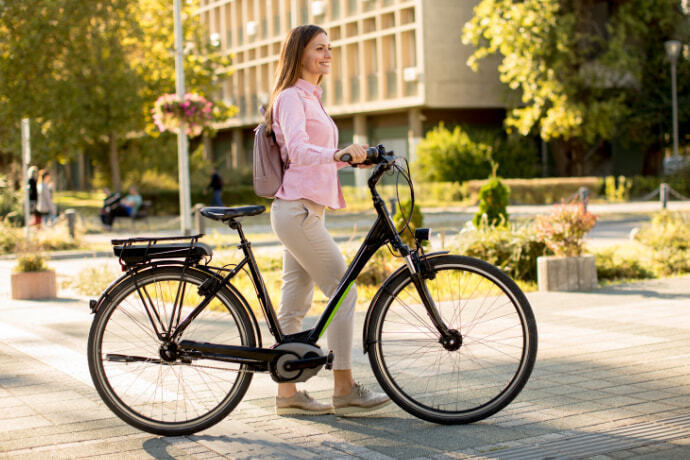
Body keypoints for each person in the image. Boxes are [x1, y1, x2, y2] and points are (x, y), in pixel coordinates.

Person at [265, 24, 390, 416]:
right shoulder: (290, 97)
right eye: (319, 48)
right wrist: (339, 153)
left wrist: (359, 157)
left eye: (329, 48)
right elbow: (301, 151)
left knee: (295, 303)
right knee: (344, 291)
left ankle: (287, 394)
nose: (327, 54)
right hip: (296, 211)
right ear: (299, 53)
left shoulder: (312, 98)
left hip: (302, 211)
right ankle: (344, 387)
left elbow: (317, 151)